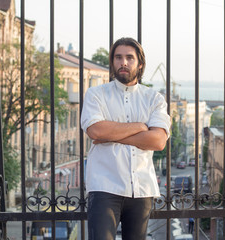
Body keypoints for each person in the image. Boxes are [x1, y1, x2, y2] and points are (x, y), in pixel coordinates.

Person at [81, 37, 171, 240]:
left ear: (140, 64)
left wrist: (112, 135)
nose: (123, 62)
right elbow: (95, 131)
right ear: (112, 62)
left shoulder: (154, 99)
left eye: (130, 58)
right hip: (104, 186)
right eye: (118, 57)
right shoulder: (96, 94)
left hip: (141, 189)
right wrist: (140, 128)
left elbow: (158, 141)